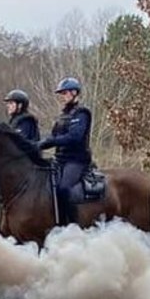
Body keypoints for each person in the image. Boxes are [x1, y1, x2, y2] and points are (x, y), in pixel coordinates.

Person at [38, 76, 93, 226]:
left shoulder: (81, 113)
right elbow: (54, 136)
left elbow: (74, 137)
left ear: (74, 93)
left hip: (76, 160)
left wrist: (51, 141)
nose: (62, 97)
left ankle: (71, 224)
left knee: (63, 189)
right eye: (61, 94)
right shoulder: (62, 115)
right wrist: (37, 144)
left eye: (64, 93)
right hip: (60, 160)